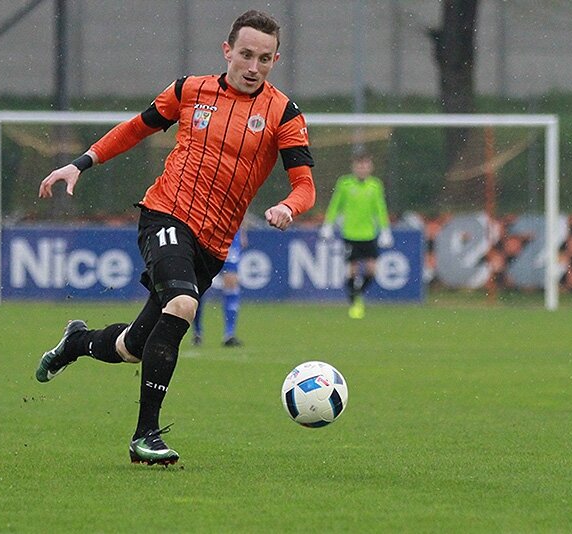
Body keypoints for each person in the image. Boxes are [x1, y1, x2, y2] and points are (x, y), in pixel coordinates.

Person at [35, 10, 315, 466]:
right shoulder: (190, 90)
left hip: (214, 245)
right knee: (183, 304)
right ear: (227, 51)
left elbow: (304, 185)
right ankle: (144, 436)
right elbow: (135, 129)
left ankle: (76, 342)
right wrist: (81, 162)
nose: (253, 67)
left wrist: (288, 206)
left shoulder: (283, 113)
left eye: (264, 59)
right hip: (165, 213)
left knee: (132, 347)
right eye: (245, 55)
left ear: (275, 60)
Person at [319, 150, 392, 319]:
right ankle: (355, 302)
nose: (362, 169)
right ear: (354, 167)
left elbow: (380, 209)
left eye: (365, 166)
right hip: (350, 234)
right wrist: (328, 225)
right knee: (352, 271)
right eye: (359, 166)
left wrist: (385, 230)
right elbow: (335, 205)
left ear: (371, 167)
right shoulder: (345, 184)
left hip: (369, 234)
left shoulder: (375, 185)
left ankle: (356, 295)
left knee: (372, 270)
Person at [192, 228, 246, 347]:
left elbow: (243, 214)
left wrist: (242, 231)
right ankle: (197, 331)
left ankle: (229, 334)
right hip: (207, 230)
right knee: (198, 282)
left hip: (230, 232)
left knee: (231, 281)